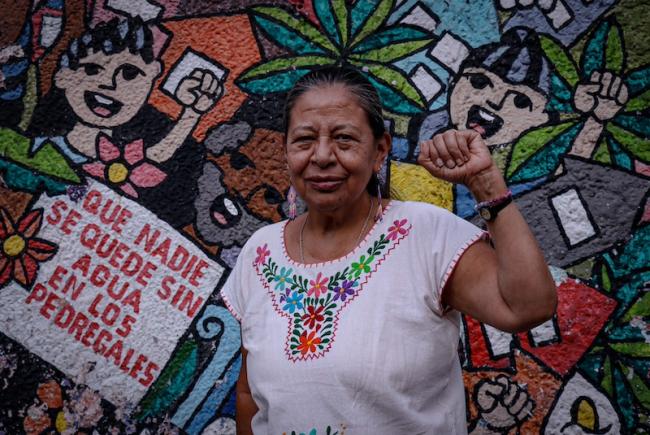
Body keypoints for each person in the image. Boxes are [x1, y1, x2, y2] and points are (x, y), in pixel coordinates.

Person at [220, 66, 556, 434]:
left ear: (379, 150)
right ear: (286, 149)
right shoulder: (260, 252)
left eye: (344, 139)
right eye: (303, 140)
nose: (321, 156)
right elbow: (251, 394)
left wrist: (486, 184)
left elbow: (527, 307)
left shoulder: (425, 235)